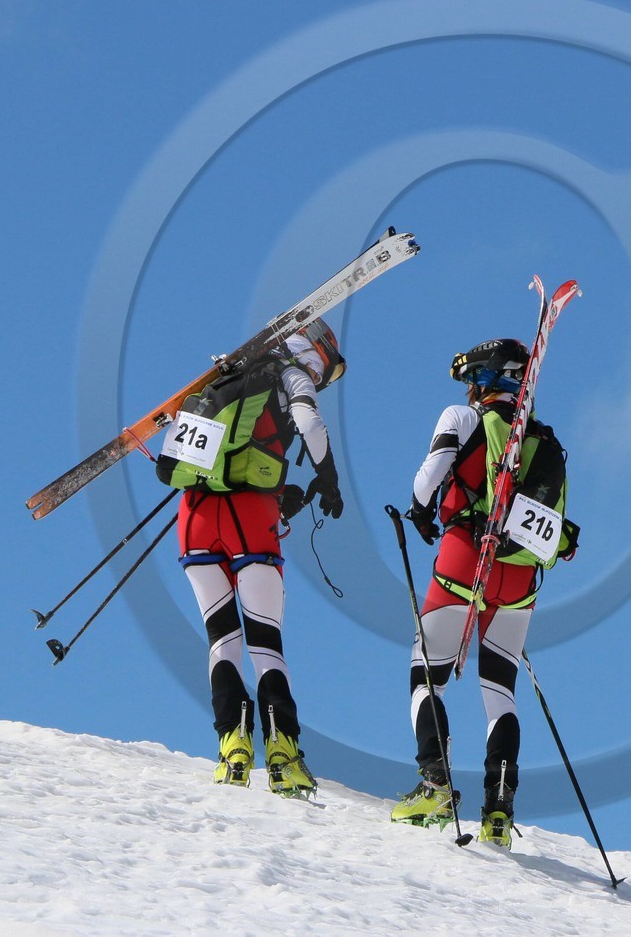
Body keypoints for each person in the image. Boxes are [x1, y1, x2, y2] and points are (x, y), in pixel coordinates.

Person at [391, 338, 574, 847]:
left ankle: (435, 783)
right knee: (500, 692)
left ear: (489, 380)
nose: (469, 389)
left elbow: (428, 479)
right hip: (517, 579)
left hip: (463, 558)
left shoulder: (463, 416)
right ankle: (498, 808)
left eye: (474, 380)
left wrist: (420, 510)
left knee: (426, 677)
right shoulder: (546, 443)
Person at [154, 318, 346, 798]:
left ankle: (232, 747)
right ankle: (283, 753)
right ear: (317, 350)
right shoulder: (290, 372)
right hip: (249, 518)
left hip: (194, 517)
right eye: (328, 369)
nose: (323, 378)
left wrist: (286, 492)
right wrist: (329, 477)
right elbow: (309, 422)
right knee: (266, 643)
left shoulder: (225, 379)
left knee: (222, 639)